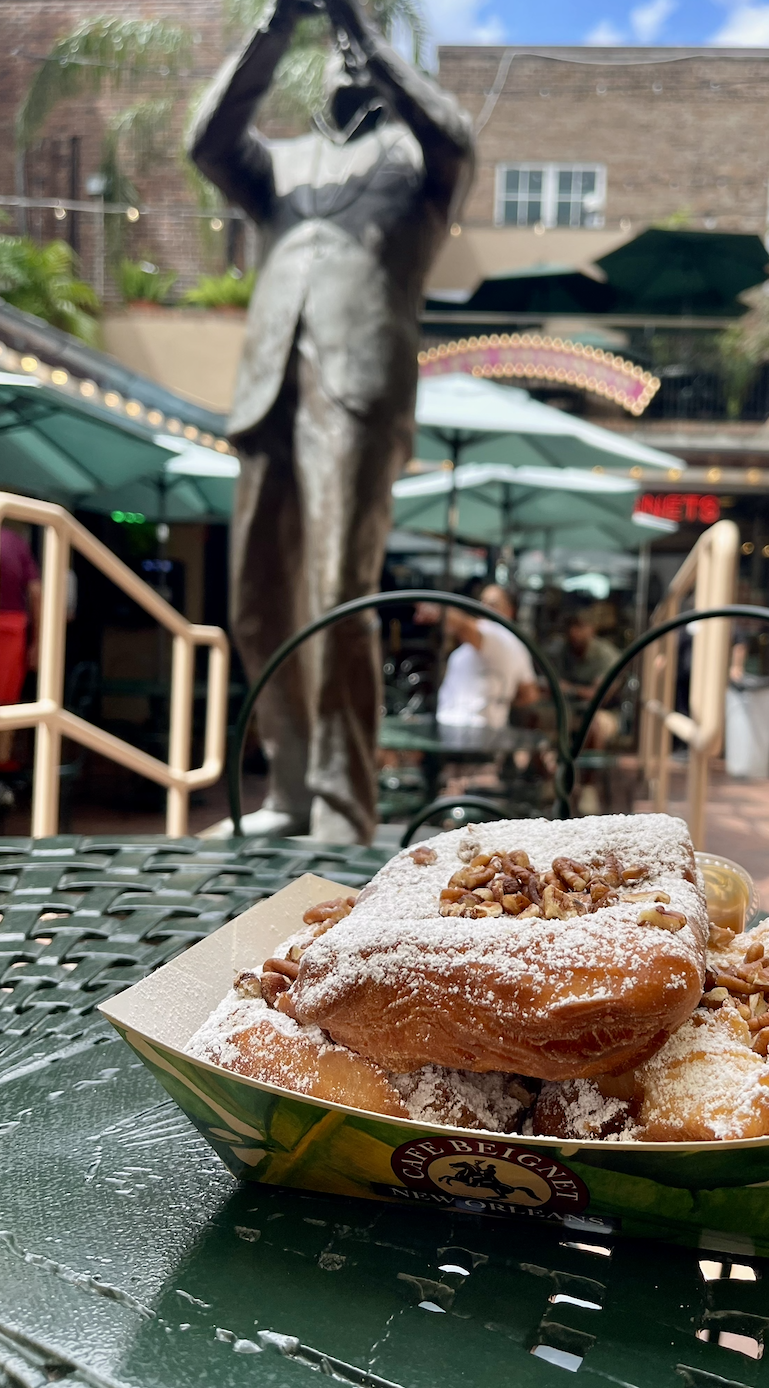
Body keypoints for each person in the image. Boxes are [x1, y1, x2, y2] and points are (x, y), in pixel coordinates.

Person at [190, 0, 473, 843]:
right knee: (254, 598)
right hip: (270, 383)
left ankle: (345, 804)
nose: (346, 69)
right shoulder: (281, 165)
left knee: (337, 593)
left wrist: (363, 35)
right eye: (338, 57)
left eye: (357, 58)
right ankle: (289, 789)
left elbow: (454, 131)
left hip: (357, 387)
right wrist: (279, 25)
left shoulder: (418, 164)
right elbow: (206, 139)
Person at [416, 586, 538, 729]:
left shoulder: (495, 635)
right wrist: (498, 701)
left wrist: (436, 611)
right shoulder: (517, 645)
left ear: (510, 611)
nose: (483, 608)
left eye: (492, 604)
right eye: (482, 602)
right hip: (484, 731)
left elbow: (462, 625)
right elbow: (530, 694)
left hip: (466, 731)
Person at [546, 608, 621, 749]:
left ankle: (588, 769)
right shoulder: (561, 651)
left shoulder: (606, 656)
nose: (573, 632)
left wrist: (570, 689)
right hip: (566, 709)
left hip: (603, 712)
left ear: (591, 629)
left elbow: (599, 697)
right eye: (570, 626)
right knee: (535, 717)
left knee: (592, 726)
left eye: (580, 626)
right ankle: (540, 769)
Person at [0, 524, 40, 778]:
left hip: (12, 626)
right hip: (12, 628)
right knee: (5, 706)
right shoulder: (14, 542)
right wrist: (38, 643)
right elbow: (36, 592)